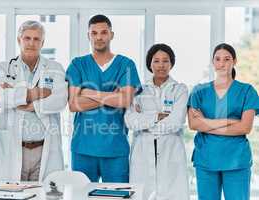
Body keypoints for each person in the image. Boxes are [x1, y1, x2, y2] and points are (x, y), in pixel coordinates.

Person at [0, 20, 67, 183]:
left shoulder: (55, 68)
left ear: (42, 42)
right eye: (27, 38)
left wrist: (28, 103)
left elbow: (59, 100)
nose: (31, 43)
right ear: (19, 40)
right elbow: (2, 98)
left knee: (43, 195)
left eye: (37, 39)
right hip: (13, 147)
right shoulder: (4, 68)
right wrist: (37, 93)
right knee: (12, 194)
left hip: (44, 148)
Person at [66, 14, 141, 182]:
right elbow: (73, 104)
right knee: (82, 195)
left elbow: (124, 101)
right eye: (94, 33)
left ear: (111, 35)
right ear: (88, 36)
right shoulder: (78, 64)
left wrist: (87, 92)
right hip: (83, 147)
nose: (99, 37)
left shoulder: (126, 64)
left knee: (116, 195)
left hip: (115, 148)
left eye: (104, 32)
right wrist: (112, 95)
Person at [187, 43, 259, 200]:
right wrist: (229, 121)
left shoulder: (247, 91)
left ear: (234, 61)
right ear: (213, 62)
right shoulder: (199, 91)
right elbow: (194, 124)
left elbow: (245, 127)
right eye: (217, 59)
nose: (222, 63)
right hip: (206, 159)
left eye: (227, 59)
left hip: (236, 160)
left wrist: (206, 124)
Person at [125, 44, 190, 200]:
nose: (161, 65)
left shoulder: (180, 89)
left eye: (165, 61)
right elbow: (130, 121)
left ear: (171, 64)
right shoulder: (138, 90)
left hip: (170, 150)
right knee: (142, 194)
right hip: (143, 152)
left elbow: (176, 121)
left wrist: (145, 124)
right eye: (156, 61)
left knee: (172, 194)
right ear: (150, 64)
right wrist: (156, 116)